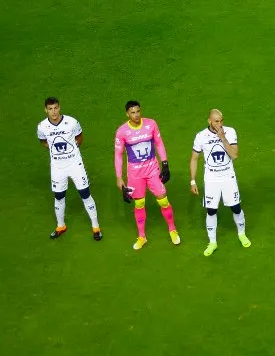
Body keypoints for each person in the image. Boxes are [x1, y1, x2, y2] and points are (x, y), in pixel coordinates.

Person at [114, 100, 180, 250]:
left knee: (163, 200)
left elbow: (159, 143)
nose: (136, 115)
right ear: (127, 114)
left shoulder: (151, 124)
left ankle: (172, 229)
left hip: (152, 170)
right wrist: (119, 178)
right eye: (132, 112)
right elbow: (118, 155)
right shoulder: (122, 131)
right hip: (135, 174)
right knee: (139, 203)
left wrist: (165, 164)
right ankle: (142, 236)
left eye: (138, 111)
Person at [37, 97, 101, 240]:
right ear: (46, 110)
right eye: (50, 109)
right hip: (57, 168)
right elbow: (42, 141)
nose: (53, 112)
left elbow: (79, 138)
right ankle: (61, 226)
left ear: (59, 107)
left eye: (56, 108)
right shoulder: (42, 126)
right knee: (59, 197)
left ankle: (96, 227)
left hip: (75, 165)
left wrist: (70, 152)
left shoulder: (71, 122)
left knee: (85, 194)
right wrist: (57, 152)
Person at [189, 109, 250, 256]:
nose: (219, 124)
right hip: (211, 179)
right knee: (211, 210)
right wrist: (192, 181)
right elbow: (194, 159)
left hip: (228, 177)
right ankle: (212, 242)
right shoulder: (201, 136)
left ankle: (241, 234)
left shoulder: (229, 132)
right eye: (216, 121)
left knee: (236, 207)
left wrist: (223, 138)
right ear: (209, 121)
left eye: (221, 121)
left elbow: (234, 155)